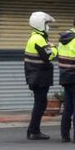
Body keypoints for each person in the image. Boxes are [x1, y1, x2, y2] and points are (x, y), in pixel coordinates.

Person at [24, 11, 57, 140]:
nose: (48, 26)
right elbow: (49, 55)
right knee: (40, 104)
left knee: (40, 104)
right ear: (40, 24)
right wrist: (54, 48)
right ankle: (34, 131)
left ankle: (32, 130)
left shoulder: (37, 37)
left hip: (37, 76)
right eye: (46, 23)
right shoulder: (38, 39)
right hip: (39, 77)